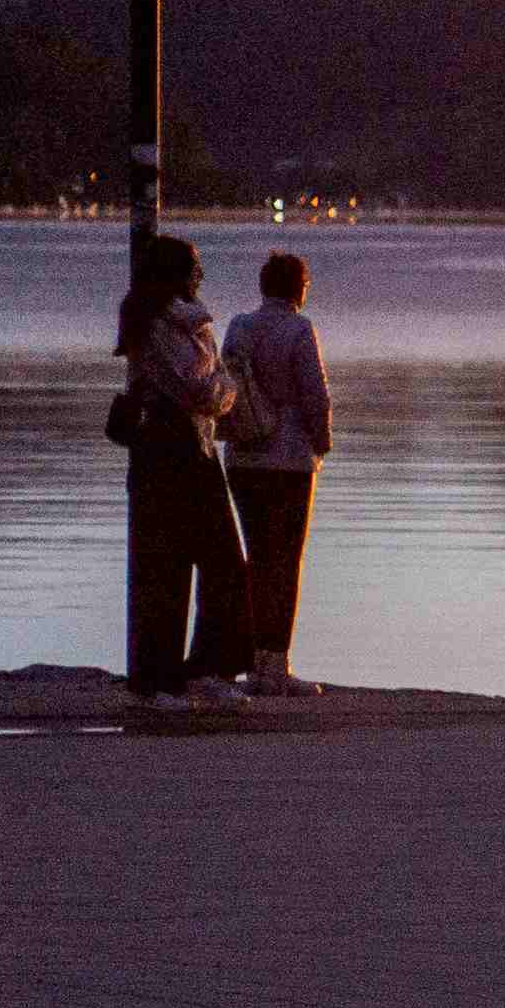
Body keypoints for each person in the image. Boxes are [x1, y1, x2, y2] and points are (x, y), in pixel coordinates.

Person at [113, 232, 244, 701]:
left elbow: (217, 385)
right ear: (174, 274)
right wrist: (219, 390)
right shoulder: (152, 325)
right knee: (165, 568)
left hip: (200, 450)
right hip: (165, 451)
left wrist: (218, 389)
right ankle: (157, 678)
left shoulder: (197, 324)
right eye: (194, 267)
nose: (201, 275)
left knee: (224, 561)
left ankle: (209, 668)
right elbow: (198, 388)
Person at [219, 249, 334, 698]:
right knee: (286, 562)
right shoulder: (300, 328)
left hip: (244, 457)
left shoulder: (238, 326)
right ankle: (276, 665)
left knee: (256, 557)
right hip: (289, 460)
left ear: (262, 286)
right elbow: (315, 395)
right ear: (299, 288)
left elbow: (228, 383)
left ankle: (251, 663)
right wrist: (321, 443)